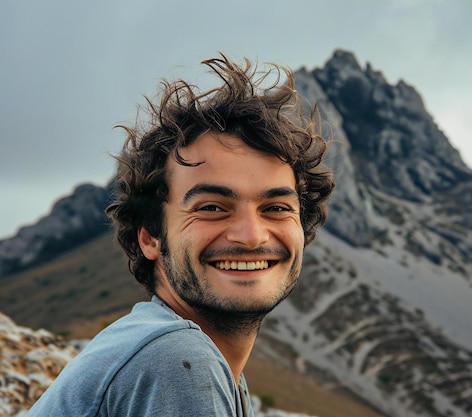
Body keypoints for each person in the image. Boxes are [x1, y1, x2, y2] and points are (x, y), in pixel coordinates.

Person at [27, 55, 335, 416]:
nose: (251, 236)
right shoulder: (176, 359)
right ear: (151, 238)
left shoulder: (177, 349)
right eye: (212, 208)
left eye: (276, 208)